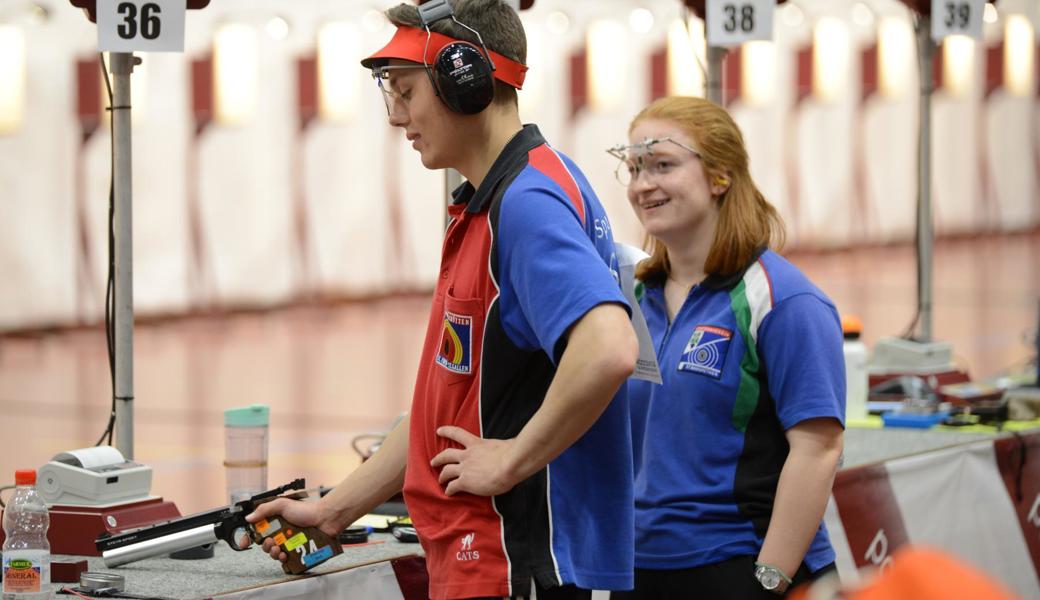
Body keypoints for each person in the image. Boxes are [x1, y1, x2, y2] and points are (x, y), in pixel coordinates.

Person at [246, 1, 639, 599]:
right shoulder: (505, 195)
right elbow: (448, 404)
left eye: (407, 91)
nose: (397, 115)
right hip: (488, 559)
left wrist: (511, 459)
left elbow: (609, 347)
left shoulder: (526, 204)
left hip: (513, 561)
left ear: (467, 81)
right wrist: (334, 510)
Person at [607, 96, 845, 599]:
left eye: (663, 165)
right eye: (634, 168)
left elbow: (818, 449)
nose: (643, 184)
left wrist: (770, 579)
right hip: (645, 568)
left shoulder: (782, 299)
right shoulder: (630, 296)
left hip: (746, 564)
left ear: (720, 177)